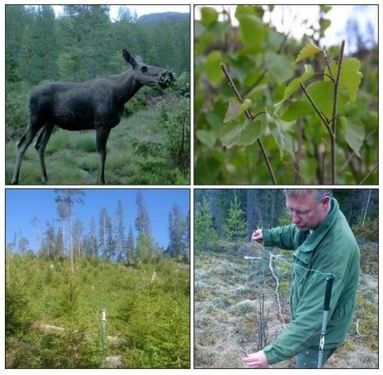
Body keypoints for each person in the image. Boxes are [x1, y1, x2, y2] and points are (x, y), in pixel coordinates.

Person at [243, 189, 360, 369]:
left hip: (320, 334)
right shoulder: (316, 221)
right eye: (291, 210)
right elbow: (295, 232)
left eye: (302, 212)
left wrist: (269, 354)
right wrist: (269, 235)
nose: (294, 219)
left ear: (325, 203)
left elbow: (314, 317)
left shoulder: (335, 248)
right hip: (308, 326)